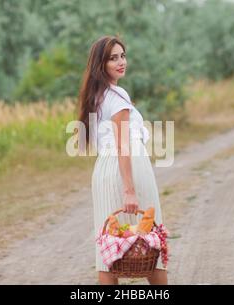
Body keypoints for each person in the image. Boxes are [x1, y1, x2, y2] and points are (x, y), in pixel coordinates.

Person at [77, 35, 168, 285]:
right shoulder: (117, 97)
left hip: (105, 171)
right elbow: (123, 144)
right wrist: (129, 190)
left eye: (123, 56)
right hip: (127, 168)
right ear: (100, 65)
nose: (121, 62)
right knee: (151, 241)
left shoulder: (97, 95)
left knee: (107, 245)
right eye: (113, 58)